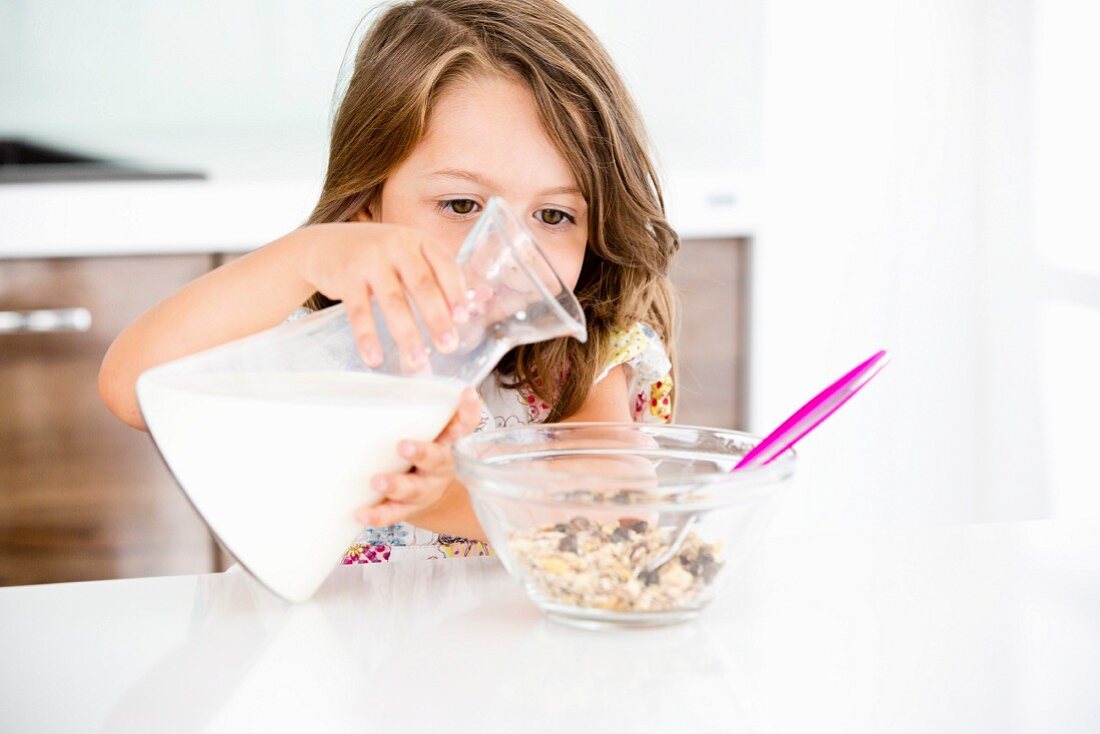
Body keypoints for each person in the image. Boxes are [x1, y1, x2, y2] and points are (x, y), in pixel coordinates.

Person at [98, 0, 679, 563]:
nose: (506, 253)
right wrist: (303, 257)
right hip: (311, 651)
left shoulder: (582, 360)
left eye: (553, 215)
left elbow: (615, 512)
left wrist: (447, 497)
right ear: (368, 208)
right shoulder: (317, 338)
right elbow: (134, 390)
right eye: (460, 204)